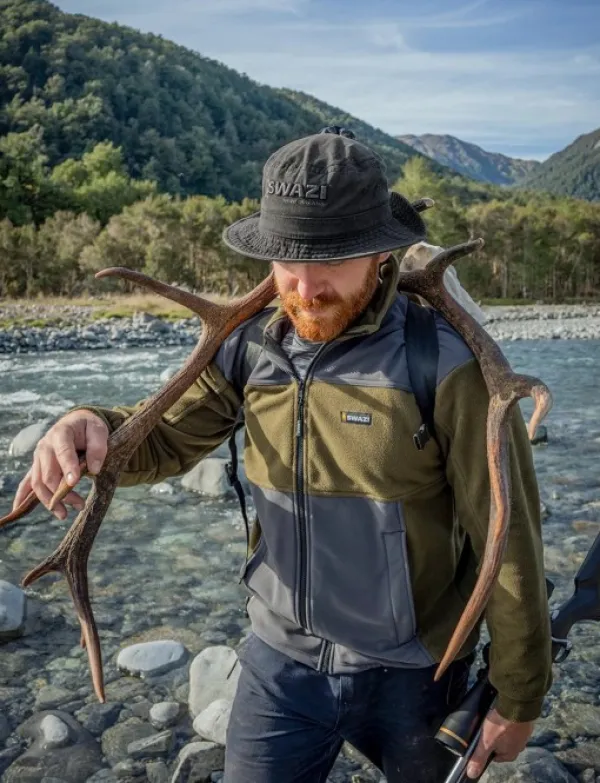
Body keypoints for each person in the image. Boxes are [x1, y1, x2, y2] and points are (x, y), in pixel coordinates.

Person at [14, 128, 552, 782]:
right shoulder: (249, 347)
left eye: (331, 259)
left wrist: (519, 692)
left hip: (418, 673)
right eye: (287, 260)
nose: (305, 287)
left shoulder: (445, 363)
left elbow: (508, 534)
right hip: (280, 668)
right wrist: (90, 425)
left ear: (381, 251)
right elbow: (162, 438)